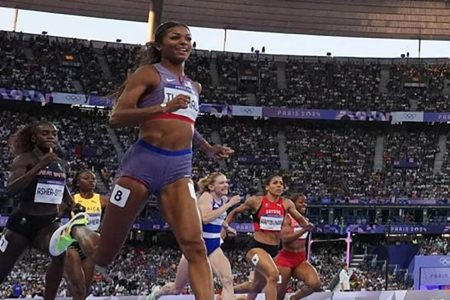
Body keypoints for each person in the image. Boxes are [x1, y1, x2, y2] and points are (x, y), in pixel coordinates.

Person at [52, 21, 234, 300]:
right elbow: (117, 117)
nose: (184, 42)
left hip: (178, 169)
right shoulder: (149, 74)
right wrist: (162, 107)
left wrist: (207, 147)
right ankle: (76, 229)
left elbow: (186, 123)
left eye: (188, 38)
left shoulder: (194, 86)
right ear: (160, 46)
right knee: (104, 255)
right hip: (141, 166)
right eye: (175, 37)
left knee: (195, 247)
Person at [0, 120, 91, 299]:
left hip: (48, 223)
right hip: (22, 225)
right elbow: (11, 190)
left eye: (54, 134)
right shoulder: (24, 159)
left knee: (59, 253)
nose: (50, 137)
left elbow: (60, 185)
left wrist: (72, 204)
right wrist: (39, 166)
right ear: (34, 138)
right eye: (45, 133)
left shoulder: (61, 163)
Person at [149, 172, 240, 300]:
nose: (226, 185)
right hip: (197, 247)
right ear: (212, 187)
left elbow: (218, 217)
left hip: (213, 245)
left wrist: (226, 226)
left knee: (228, 280)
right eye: (221, 183)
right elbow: (205, 218)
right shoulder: (206, 197)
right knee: (177, 288)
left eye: (226, 182)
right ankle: (157, 293)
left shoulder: (223, 199)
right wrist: (229, 205)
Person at [225, 175, 312, 300]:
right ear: (267, 187)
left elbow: (300, 219)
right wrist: (225, 227)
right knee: (273, 275)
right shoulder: (256, 201)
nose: (279, 186)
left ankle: (226, 295)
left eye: (281, 184)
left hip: (274, 250)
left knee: (256, 286)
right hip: (256, 247)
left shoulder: (286, 203)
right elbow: (235, 212)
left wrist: (307, 225)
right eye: (275, 183)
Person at [64, 170, 108, 300]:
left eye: (93, 179)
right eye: (86, 178)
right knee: (78, 287)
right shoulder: (72, 200)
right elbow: (54, 214)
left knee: (84, 292)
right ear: (78, 183)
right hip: (72, 245)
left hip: (90, 247)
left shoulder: (101, 200)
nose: (91, 181)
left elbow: (118, 212)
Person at [275, 193, 321, 300]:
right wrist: (304, 229)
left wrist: (307, 227)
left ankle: (294, 298)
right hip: (285, 259)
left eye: (305, 202)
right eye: (301, 202)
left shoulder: (304, 220)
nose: (304, 205)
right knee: (279, 296)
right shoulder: (287, 218)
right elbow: (285, 239)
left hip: (300, 259)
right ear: (293, 204)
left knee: (315, 283)